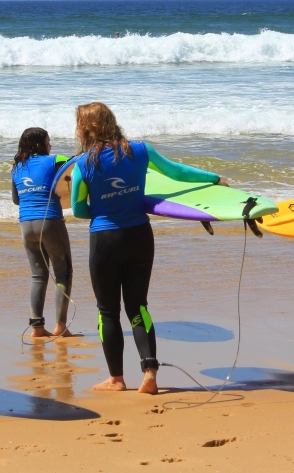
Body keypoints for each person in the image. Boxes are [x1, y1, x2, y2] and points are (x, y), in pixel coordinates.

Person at [70, 102, 227, 394]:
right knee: (138, 306)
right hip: (140, 236)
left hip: (105, 240)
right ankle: (150, 373)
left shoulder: (83, 165)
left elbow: (78, 209)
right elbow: (176, 172)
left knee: (108, 311)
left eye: (78, 126)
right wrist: (213, 178)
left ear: (88, 129)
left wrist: (105, 208)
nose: (76, 131)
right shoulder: (141, 151)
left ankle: (116, 379)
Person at [12, 127, 74, 339]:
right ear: (39, 144)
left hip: (26, 225)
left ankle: (37, 327)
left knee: (38, 275)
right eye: (48, 141)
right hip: (50, 222)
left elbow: (16, 200)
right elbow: (77, 165)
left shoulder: (17, 168)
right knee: (63, 273)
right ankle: (61, 327)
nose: (51, 145)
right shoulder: (55, 160)